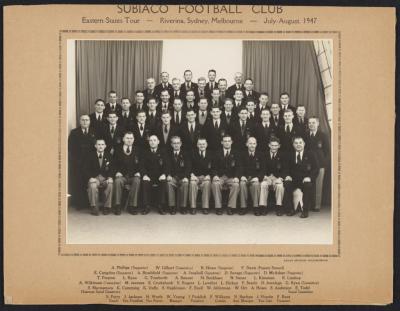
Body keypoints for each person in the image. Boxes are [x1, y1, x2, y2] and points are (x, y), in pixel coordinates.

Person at [284, 136, 318, 218]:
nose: (298, 145)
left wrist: (309, 177)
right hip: (294, 179)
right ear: (293, 145)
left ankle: (305, 211)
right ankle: (291, 209)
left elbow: (316, 168)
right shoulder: (289, 155)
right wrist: (287, 175)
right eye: (296, 143)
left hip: (305, 179)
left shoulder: (311, 154)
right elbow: (285, 168)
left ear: (304, 144)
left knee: (308, 185)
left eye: (300, 143)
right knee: (287, 184)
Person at [68, 114, 96, 209]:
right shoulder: (74, 132)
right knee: (79, 183)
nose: (85, 122)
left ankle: (90, 203)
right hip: (78, 162)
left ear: (89, 121)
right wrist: (77, 161)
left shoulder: (93, 132)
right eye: (83, 120)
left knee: (89, 181)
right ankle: (80, 204)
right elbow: (71, 148)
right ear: (80, 121)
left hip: (91, 162)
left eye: (87, 120)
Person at [112, 132, 142, 215]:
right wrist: (116, 172)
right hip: (122, 176)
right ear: (123, 139)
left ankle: (132, 206)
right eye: (127, 138)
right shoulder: (117, 149)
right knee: (117, 181)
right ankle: (117, 205)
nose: (129, 140)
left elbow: (141, 164)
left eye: (131, 138)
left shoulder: (138, 150)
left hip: (133, 175)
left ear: (133, 140)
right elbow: (113, 164)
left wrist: (139, 172)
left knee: (137, 180)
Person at [83, 138, 114, 216]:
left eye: (102, 144)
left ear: (105, 146)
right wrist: (90, 178)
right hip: (94, 178)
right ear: (95, 146)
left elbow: (113, 169)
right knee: (92, 186)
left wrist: (110, 177)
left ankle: (106, 207)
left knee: (110, 185)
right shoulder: (90, 155)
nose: (100, 146)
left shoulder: (109, 156)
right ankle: (94, 207)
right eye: (99, 144)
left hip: (105, 179)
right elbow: (85, 168)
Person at [211, 135, 241, 215]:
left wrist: (236, 177)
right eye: (225, 141)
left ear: (231, 142)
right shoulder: (217, 153)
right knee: (215, 183)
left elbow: (239, 167)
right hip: (220, 177)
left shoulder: (236, 153)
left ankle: (231, 207)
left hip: (231, 177)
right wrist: (215, 175)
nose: (227, 143)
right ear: (222, 142)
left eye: (228, 141)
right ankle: (218, 207)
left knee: (236, 184)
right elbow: (213, 167)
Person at [306, 117, 330, 211]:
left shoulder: (323, 135)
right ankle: (307, 204)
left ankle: (316, 205)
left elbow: (327, 151)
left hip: (320, 164)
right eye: (309, 123)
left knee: (318, 185)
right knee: (308, 183)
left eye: (313, 123)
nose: (311, 124)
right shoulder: (305, 135)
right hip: (308, 164)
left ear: (318, 124)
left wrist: (324, 163)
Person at [141, 135, 168, 214]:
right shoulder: (145, 152)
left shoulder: (163, 151)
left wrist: (164, 174)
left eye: (154, 140)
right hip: (148, 176)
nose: (152, 142)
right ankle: (147, 206)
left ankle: (161, 206)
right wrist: (144, 175)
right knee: (145, 182)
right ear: (149, 142)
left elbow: (167, 165)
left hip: (159, 176)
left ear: (158, 142)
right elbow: (141, 166)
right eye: (151, 140)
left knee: (163, 181)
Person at [259, 137, 286, 216]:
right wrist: (266, 177)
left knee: (280, 186)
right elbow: (261, 168)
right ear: (269, 145)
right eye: (272, 145)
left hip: (277, 178)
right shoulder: (264, 155)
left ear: (279, 146)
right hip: (267, 177)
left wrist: (279, 178)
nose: (274, 147)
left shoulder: (283, 155)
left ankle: (279, 207)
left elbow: (285, 169)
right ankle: (263, 207)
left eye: (276, 145)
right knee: (263, 184)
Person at [166, 136, 191, 214]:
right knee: (169, 183)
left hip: (182, 177)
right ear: (171, 144)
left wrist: (186, 177)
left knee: (185, 183)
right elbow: (166, 166)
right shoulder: (168, 154)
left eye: (178, 143)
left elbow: (188, 167)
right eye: (174, 143)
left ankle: (183, 207)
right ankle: (172, 206)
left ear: (181, 144)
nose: (176, 145)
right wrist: (168, 175)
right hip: (173, 177)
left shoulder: (186, 154)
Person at [240, 137, 265, 215]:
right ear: (247, 144)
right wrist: (241, 176)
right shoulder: (242, 154)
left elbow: (263, 170)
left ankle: (256, 207)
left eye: (254, 143)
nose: (252, 145)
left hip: (255, 178)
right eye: (250, 143)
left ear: (256, 144)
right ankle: (243, 207)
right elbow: (239, 167)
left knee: (256, 184)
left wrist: (258, 178)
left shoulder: (261, 154)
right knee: (242, 184)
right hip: (245, 177)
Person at [189, 138, 213, 214]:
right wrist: (192, 175)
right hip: (195, 176)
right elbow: (189, 167)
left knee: (207, 183)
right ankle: (193, 207)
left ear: (206, 145)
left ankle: (205, 207)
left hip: (206, 176)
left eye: (203, 144)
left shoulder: (211, 154)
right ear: (197, 145)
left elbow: (214, 167)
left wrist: (209, 175)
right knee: (192, 183)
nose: (202, 146)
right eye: (200, 144)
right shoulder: (192, 153)